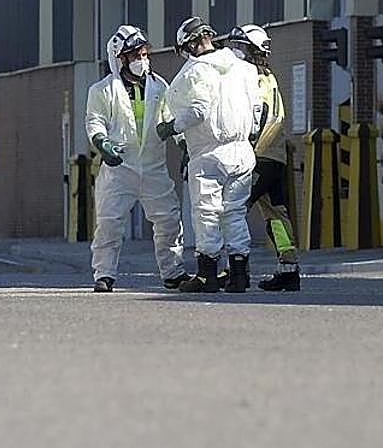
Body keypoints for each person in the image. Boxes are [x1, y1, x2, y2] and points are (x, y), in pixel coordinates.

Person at [157, 17, 261, 293]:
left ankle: (207, 275)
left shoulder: (195, 72)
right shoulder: (244, 68)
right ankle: (239, 274)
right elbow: (257, 110)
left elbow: (198, 111)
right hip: (242, 151)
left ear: (187, 46)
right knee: (235, 214)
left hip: (209, 152)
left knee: (207, 215)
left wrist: (170, 128)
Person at [85, 25, 188, 293]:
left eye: (144, 54)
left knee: (168, 220)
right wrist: (102, 143)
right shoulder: (102, 90)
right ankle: (104, 274)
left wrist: (184, 146)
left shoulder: (160, 86)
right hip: (119, 168)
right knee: (109, 222)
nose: (143, 60)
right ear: (120, 59)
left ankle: (173, 272)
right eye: (136, 55)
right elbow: (94, 121)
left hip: (153, 166)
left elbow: (170, 119)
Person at [224, 24, 301, 291]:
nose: (235, 53)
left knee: (233, 210)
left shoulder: (252, 80)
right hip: (276, 157)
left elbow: (257, 117)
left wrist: (244, 150)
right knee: (276, 215)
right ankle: (289, 269)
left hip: (257, 156)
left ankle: (236, 269)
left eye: (240, 48)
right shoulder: (270, 77)